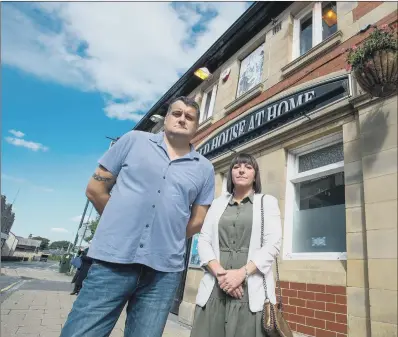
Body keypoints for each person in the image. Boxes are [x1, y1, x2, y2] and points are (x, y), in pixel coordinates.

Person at [60, 96, 215, 337]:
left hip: (163, 274)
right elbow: (95, 189)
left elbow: (197, 220)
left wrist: (166, 236)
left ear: (196, 126)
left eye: (189, 117)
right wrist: (119, 222)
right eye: (177, 113)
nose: (182, 119)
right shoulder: (133, 141)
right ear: (166, 119)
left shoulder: (204, 168)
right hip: (112, 261)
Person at [190, 153, 282, 337]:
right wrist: (222, 276)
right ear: (231, 174)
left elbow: (273, 244)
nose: (241, 170)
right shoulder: (216, 204)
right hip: (215, 290)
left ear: (255, 176)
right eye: (236, 167)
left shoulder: (267, 202)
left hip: (250, 293)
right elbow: (204, 240)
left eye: (248, 167)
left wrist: (241, 274)